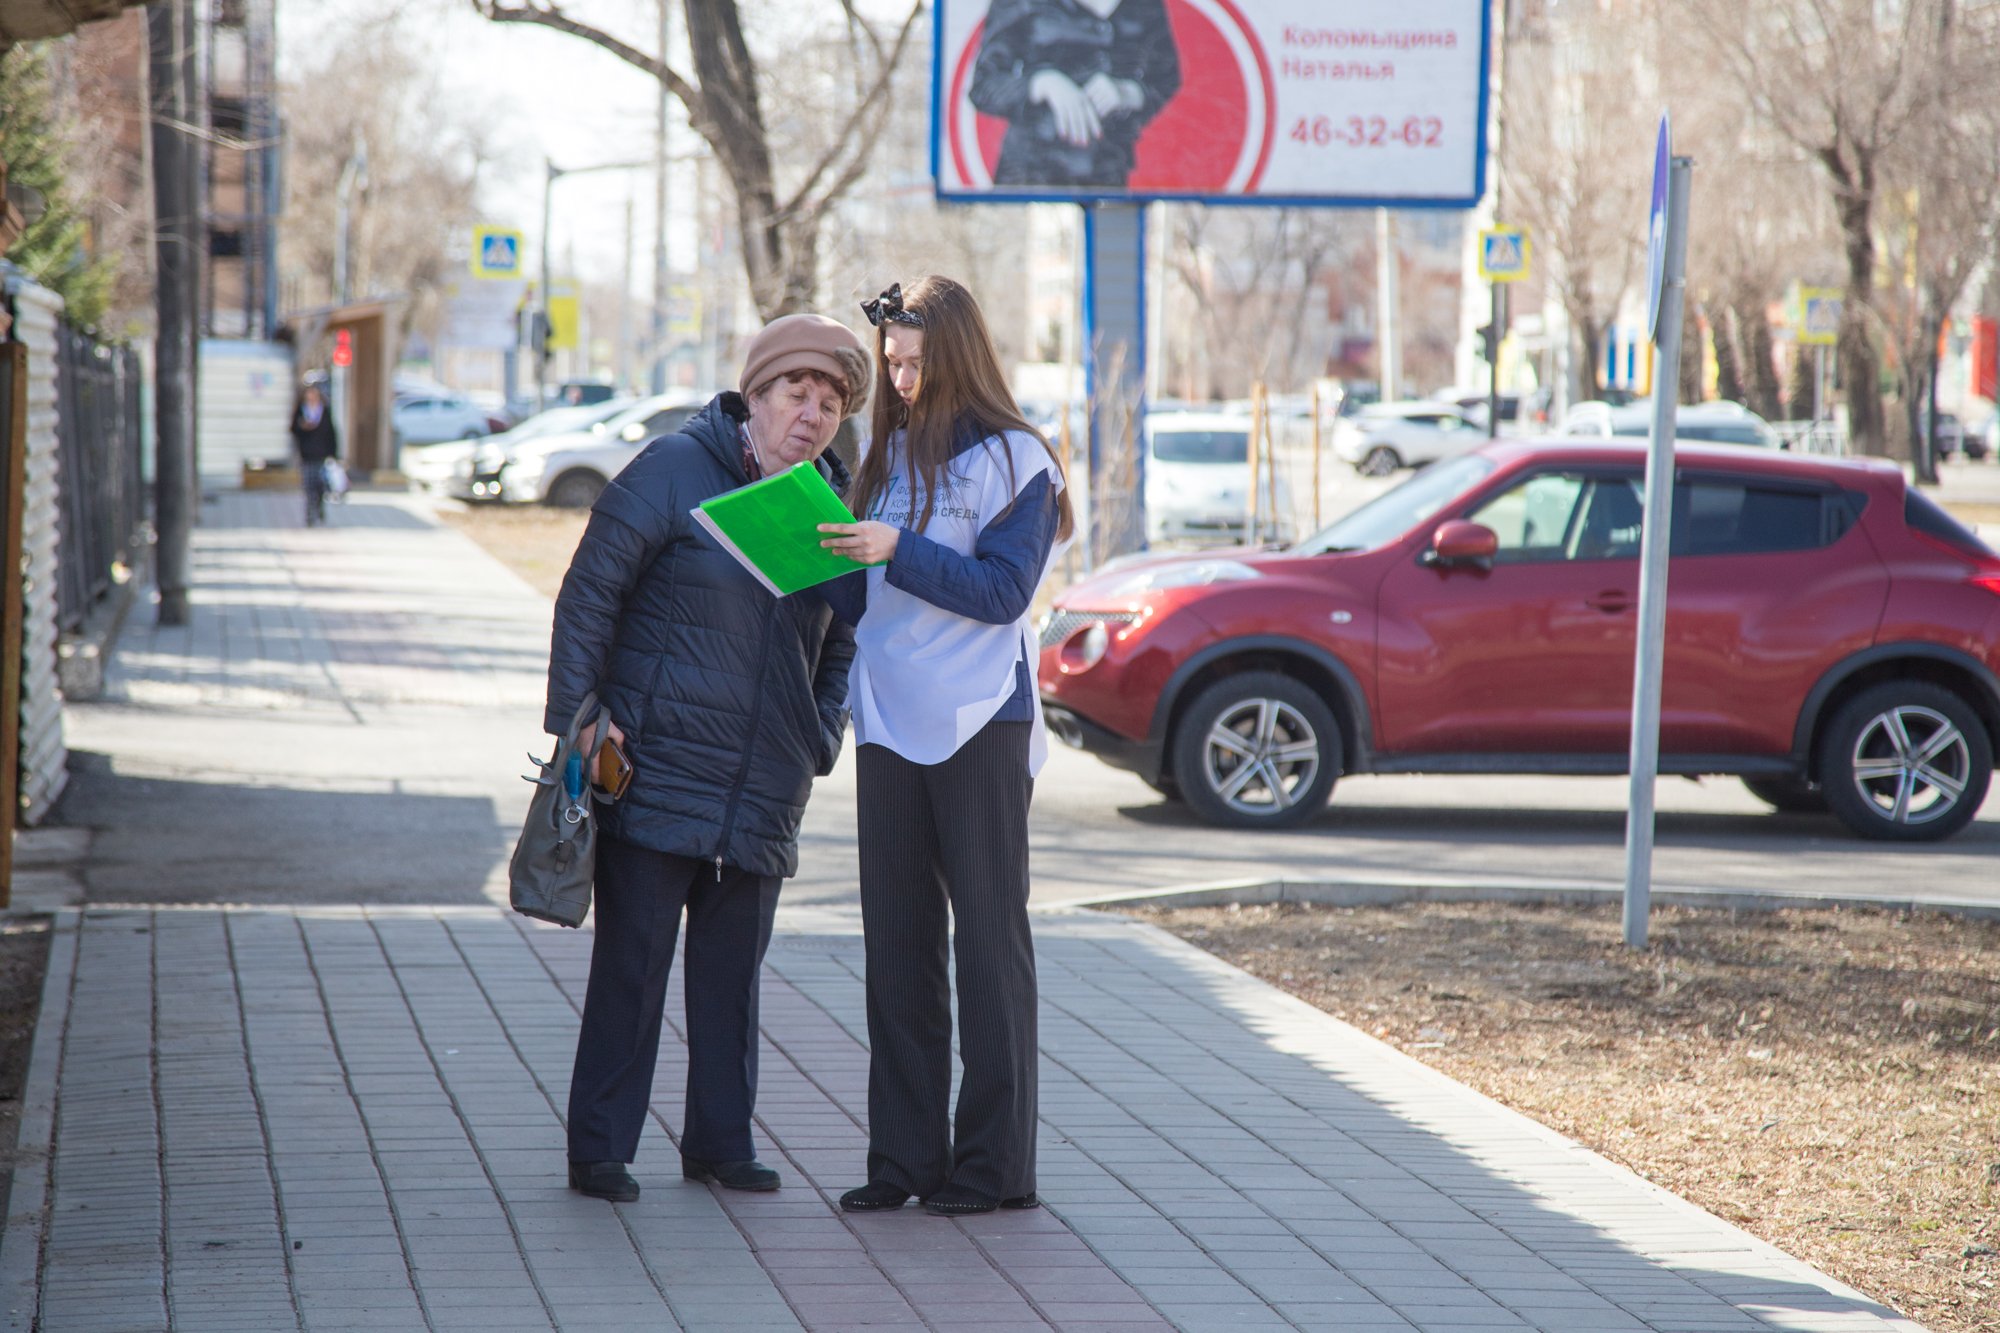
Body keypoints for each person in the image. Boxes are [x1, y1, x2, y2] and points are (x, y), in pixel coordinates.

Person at [545, 314, 870, 1203]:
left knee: (732, 981)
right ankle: (600, 1149)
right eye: (796, 393)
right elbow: (589, 595)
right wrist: (581, 722)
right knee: (633, 967)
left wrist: (819, 732)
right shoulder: (675, 469)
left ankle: (721, 1143)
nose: (812, 414)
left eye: (830, 402)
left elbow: (846, 637)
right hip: (657, 766)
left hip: (764, 784)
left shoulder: (829, 509)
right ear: (755, 396)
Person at [817, 277, 1074, 1217]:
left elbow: (1003, 593)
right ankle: (904, 1159)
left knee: (989, 947)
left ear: (960, 357)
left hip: (981, 719)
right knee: (897, 946)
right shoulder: (883, 457)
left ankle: (994, 1169)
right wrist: (803, 554)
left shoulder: (1019, 460)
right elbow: (862, 595)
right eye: (892, 363)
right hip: (887, 716)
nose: (902, 380)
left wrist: (895, 547)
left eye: (917, 363)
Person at [969, 0, 1181, 190]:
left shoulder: (1146, 5)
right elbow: (984, 85)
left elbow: (1167, 77)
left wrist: (1128, 92)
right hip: (1030, 175)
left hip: (1107, 173)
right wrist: (1044, 83)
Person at [289, 383, 339, 526]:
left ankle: (319, 506)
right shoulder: (302, 410)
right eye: (309, 394)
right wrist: (302, 427)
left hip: (321, 454)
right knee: (308, 485)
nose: (311, 397)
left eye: (314, 394)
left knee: (320, 484)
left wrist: (333, 454)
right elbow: (293, 428)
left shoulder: (324, 410)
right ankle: (310, 513)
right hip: (306, 454)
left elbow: (331, 433)